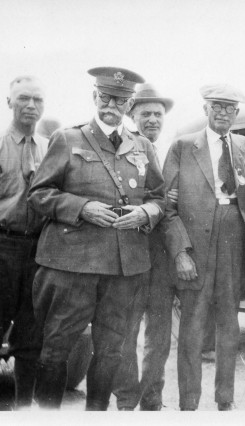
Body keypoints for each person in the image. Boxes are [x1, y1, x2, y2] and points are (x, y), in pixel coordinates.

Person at [28, 67, 165, 410]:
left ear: (130, 103)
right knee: (57, 348)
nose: (111, 105)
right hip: (72, 265)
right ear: (94, 97)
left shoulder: (143, 145)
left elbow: (161, 197)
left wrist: (147, 213)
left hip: (123, 268)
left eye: (119, 99)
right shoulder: (67, 138)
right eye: (105, 97)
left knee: (110, 351)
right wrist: (82, 206)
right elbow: (39, 194)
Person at [161, 84, 245, 411]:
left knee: (229, 325)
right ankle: (188, 406)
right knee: (192, 327)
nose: (222, 112)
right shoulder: (182, 146)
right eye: (216, 106)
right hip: (195, 244)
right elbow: (166, 207)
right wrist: (180, 252)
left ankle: (226, 401)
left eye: (229, 108)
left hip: (234, 236)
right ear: (205, 109)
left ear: (236, 113)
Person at [112, 84, 175, 411]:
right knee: (125, 330)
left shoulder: (173, 149)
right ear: (132, 115)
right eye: (145, 113)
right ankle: (125, 401)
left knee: (160, 336)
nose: (152, 119)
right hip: (130, 252)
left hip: (164, 257)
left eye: (157, 114)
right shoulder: (120, 147)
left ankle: (152, 400)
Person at [0, 76, 47, 409]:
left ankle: (24, 409)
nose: (31, 105)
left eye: (37, 100)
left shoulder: (50, 147)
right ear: (9, 102)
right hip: (2, 247)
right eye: (24, 98)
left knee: (31, 334)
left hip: (39, 251)